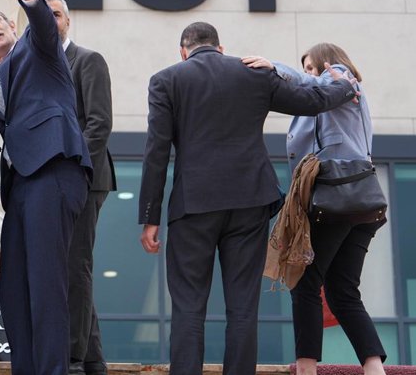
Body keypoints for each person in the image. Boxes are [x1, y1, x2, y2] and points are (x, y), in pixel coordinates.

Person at [138, 22, 358, 375]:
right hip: (249, 201)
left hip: (193, 205)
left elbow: (156, 153)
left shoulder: (167, 80)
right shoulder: (253, 72)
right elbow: (312, 101)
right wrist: (346, 86)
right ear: (221, 48)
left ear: (183, 51)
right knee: (242, 309)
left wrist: (149, 216)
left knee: (188, 308)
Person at [0, 0, 92, 375]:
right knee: (15, 290)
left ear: (12, 25)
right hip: (19, 184)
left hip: (53, 169)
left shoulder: (39, 49)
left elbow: (42, 25)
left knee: (45, 287)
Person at [243, 44, 386, 375]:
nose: (307, 73)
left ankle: (306, 368)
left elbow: (319, 85)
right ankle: (373, 366)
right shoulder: (349, 97)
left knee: (305, 282)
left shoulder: (340, 79)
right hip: (362, 203)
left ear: (327, 62)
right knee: (342, 291)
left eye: (310, 67)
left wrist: (274, 66)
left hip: (335, 199)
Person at [44, 0, 116, 375]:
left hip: (85, 178)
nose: (51, 20)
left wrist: (74, 171)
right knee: (70, 267)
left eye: (56, 14)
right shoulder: (38, 66)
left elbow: (99, 124)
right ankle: (93, 360)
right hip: (50, 183)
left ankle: (72, 358)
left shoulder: (87, 60)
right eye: (44, 15)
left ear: (67, 21)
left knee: (76, 265)